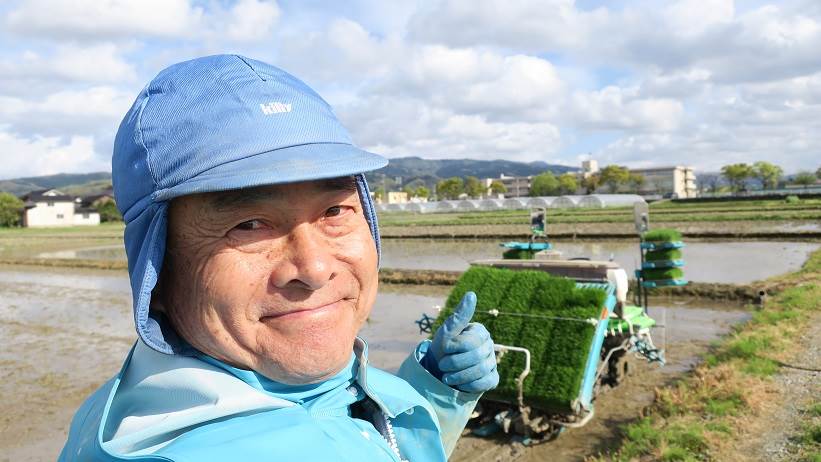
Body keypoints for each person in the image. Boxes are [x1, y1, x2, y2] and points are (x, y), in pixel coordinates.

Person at [58, 54, 498, 461]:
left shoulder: (126, 403)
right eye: (249, 224)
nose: (314, 268)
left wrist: (434, 389)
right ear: (158, 274)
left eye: (334, 211)